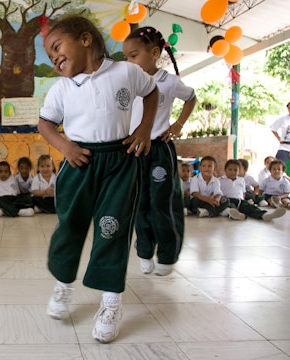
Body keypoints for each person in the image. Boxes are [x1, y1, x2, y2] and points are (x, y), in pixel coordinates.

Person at [38, 15, 159, 343]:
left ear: (86, 39)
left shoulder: (127, 72)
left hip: (119, 161)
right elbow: (45, 123)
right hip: (79, 163)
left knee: (113, 227)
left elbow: (152, 93)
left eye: (57, 47)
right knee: (70, 225)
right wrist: (65, 145)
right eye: (50, 57)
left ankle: (111, 301)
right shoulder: (62, 88)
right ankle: (63, 285)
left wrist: (145, 128)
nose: (54, 58)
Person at [123, 26, 197, 277]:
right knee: (139, 202)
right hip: (133, 150)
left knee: (161, 202)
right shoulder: (127, 81)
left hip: (158, 150)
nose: (129, 61)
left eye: (134, 55)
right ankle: (144, 251)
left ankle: (167, 254)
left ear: (154, 52)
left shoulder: (169, 82)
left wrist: (178, 124)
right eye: (126, 57)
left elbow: (191, 98)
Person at [219, 159, 285, 221]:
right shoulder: (220, 180)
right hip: (228, 200)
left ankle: (264, 215)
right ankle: (235, 214)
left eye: (235, 170)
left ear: (239, 171)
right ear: (225, 170)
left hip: (240, 200)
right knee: (230, 207)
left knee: (250, 207)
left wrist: (244, 200)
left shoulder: (241, 180)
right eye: (230, 170)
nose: (233, 172)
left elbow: (243, 192)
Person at [269, 102, 290, 169]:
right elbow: (273, 128)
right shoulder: (283, 119)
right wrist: (279, 138)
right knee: (279, 166)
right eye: (289, 108)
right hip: (284, 146)